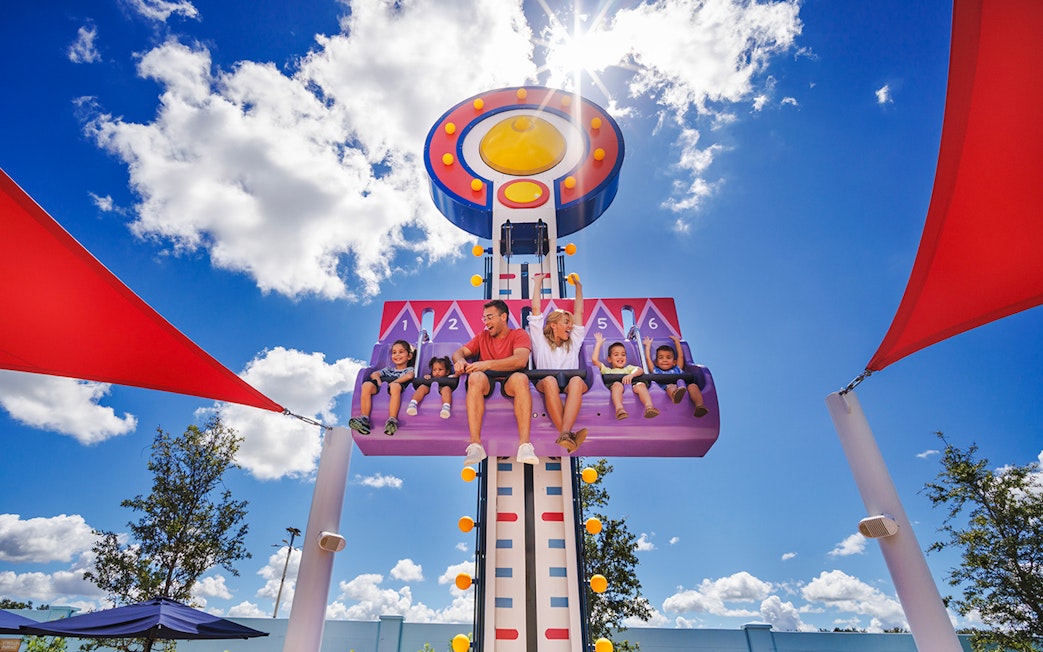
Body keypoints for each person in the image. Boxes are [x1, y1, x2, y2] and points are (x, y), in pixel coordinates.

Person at [452, 300, 535, 465]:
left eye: (490, 317)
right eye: (484, 319)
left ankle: (525, 445)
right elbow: (459, 352)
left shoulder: (519, 334)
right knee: (474, 378)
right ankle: (475, 445)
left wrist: (486, 364)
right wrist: (460, 360)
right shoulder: (482, 336)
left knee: (521, 378)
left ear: (503, 317)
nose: (486, 322)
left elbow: (520, 360)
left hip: (511, 377)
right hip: (486, 380)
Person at [527, 272, 587, 452]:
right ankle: (567, 434)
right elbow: (536, 310)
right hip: (546, 383)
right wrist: (537, 283)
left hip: (570, 383)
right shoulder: (540, 340)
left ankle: (565, 433)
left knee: (577, 380)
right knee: (550, 380)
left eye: (570, 323)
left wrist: (578, 288)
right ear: (553, 325)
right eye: (566, 322)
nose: (570, 326)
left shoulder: (573, 341)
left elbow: (579, 312)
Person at [349, 339, 416, 435]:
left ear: (409, 356)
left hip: (395, 388)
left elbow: (410, 376)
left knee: (395, 387)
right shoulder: (388, 369)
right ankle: (364, 418)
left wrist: (392, 383)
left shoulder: (409, 369)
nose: (397, 355)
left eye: (401, 352)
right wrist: (380, 383)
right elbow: (374, 374)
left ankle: (392, 420)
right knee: (366, 385)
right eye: (394, 352)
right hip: (381, 388)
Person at [591, 332, 659, 420]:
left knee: (641, 385)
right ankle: (620, 409)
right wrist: (599, 343)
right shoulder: (607, 370)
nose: (620, 357)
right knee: (617, 385)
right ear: (609, 359)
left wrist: (631, 375)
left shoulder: (629, 368)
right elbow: (594, 360)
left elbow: (640, 370)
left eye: (623, 355)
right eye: (616, 355)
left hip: (632, 385)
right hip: (616, 386)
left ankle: (649, 407)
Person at [643, 334, 709, 417]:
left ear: (674, 362)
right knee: (670, 386)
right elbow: (648, 359)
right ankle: (675, 396)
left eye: (668, 357)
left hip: (683, 388)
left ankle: (699, 406)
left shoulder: (677, 369)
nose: (664, 360)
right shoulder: (656, 371)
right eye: (661, 357)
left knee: (693, 386)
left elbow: (680, 356)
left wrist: (677, 342)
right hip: (669, 387)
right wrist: (647, 346)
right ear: (656, 362)